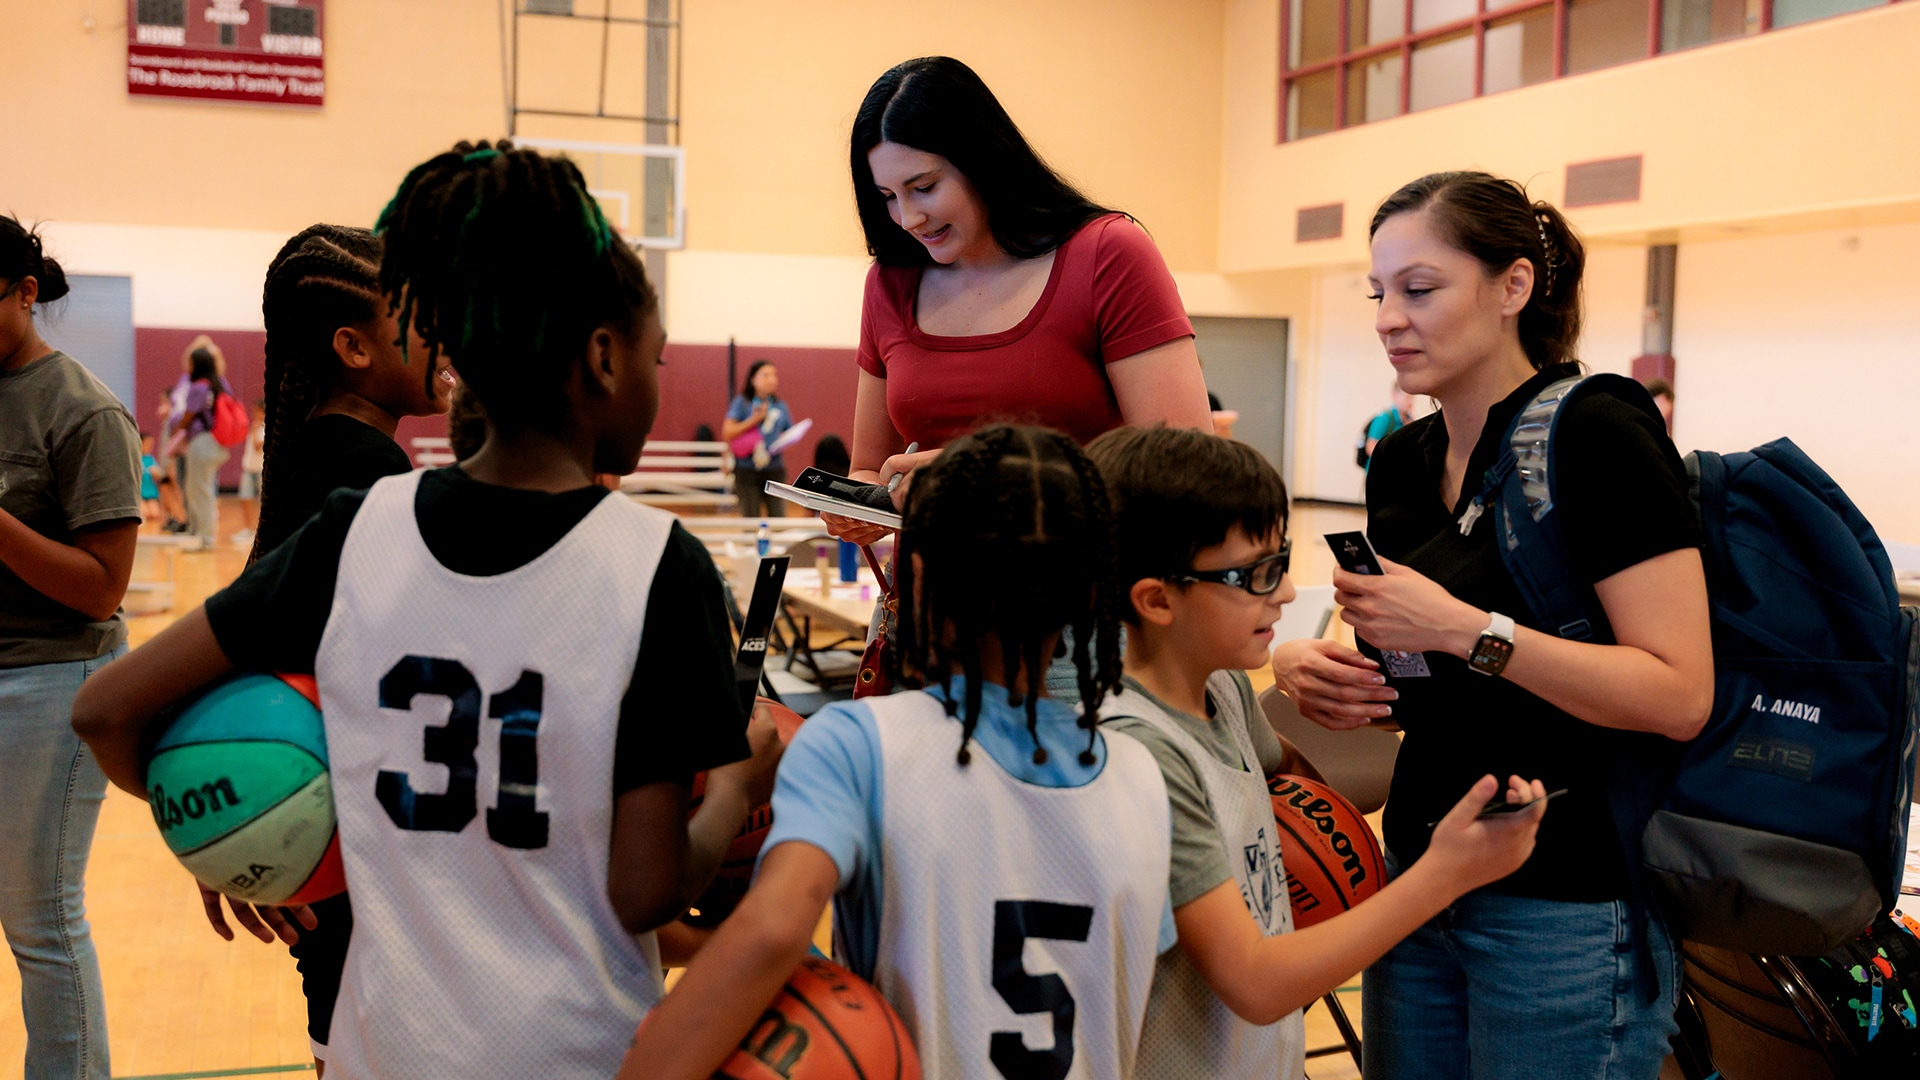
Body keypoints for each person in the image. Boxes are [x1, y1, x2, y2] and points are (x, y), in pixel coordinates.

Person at [72, 140, 781, 1080]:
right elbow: (645, 889)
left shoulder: (355, 530)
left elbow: (104, 711)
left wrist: (232, 828)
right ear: (605, 358)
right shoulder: (660, 566)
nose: (656, 378)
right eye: (657, 356)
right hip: (573, 1053)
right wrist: (737, 786)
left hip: (386, 1049)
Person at [1271, 171, 1714, 1080]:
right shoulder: (1401, 461)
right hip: (1419, 872)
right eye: (1379, 293)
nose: (1390, 318)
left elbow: (1678, 695)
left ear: (1513, 286)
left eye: (1420, 289)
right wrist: (1333, 679)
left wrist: (1468, 629)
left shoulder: (1599, 434)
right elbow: (1433, 689)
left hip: (1565, 900)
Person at [621, 425, 1174, 1080]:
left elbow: (770, 935)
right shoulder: (1142, 773)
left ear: (915, 581)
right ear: (1091, 596)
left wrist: (733, 793)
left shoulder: (856, 745)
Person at [1088, 425, 1548, 1079]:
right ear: (1158, 599)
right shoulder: (1138, 755)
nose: (1285, 593)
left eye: (1282, 562)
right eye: (1259, 574)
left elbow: (1284, 771)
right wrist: (1446, 872)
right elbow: (1255, 982)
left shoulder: (1220, 687)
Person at [168, 223, 457, 1073]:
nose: (447, 337)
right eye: (425, 319)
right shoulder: (364, 475)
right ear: (353, 347)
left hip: (332, 842)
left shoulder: (330, 458)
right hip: (365, 847)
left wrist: (229, 818)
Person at [824, 56, 1212, 548]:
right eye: (887, 196)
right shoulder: (890, 282)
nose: (908, 218)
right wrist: (861, 505)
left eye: (924, 188)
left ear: (981, 160)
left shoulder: (1107, 254)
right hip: (929, 589)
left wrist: (996, 480)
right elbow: (868, 467)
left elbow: (1185, 465)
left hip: (1076, 586)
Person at [0, 213, 142, 1079]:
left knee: (40, 918)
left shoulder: (83, 410)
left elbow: (103, 587)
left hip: (53, 680)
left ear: (24, 292)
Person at [170, 345, 232, 550]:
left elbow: (188, 416)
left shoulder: (199, 387)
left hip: (202, 443)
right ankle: (199, 532)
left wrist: (177, 426)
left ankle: (205, 538)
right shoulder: (219, 385)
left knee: (200, 491)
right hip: (215, 443)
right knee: (199, 489)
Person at [720, 359, 791, 517]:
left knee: (779, 518)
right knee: (750, 517)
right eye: (766, 375)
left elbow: (788, 433)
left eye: (774, 375)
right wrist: (753, 420)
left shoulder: (780, 406)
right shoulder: (742, 403)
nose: (771, 380)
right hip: (746, 470)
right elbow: (727, 432)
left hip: (774, 469)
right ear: (753, 379)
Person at [1359, 383, 1416, 472]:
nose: (1410, 402)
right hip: (1379, 472)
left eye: (1412, 398)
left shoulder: (1408, 419)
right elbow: (1370, 447)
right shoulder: (1385, 418)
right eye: (1407, 397)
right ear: (1395, 396)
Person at [232, 401, 266, 546]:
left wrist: (254, 431)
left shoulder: (265, 428)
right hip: (248, 467)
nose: (254, 414)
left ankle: (261, 531)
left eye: (257, 411)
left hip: (260, 469)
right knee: (245, 497)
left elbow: (258, 446)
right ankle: (248, 529)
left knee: (262, 501)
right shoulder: (255, 426)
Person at [138, 433, 163, 521]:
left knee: (154, 514)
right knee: (144, 513)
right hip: (140, 494)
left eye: (151, 445)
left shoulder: (150, 459)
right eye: (147, 444)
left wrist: (156, 474)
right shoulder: (136, 459)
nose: (149, 447)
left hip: (150, 493)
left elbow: (158, 474)